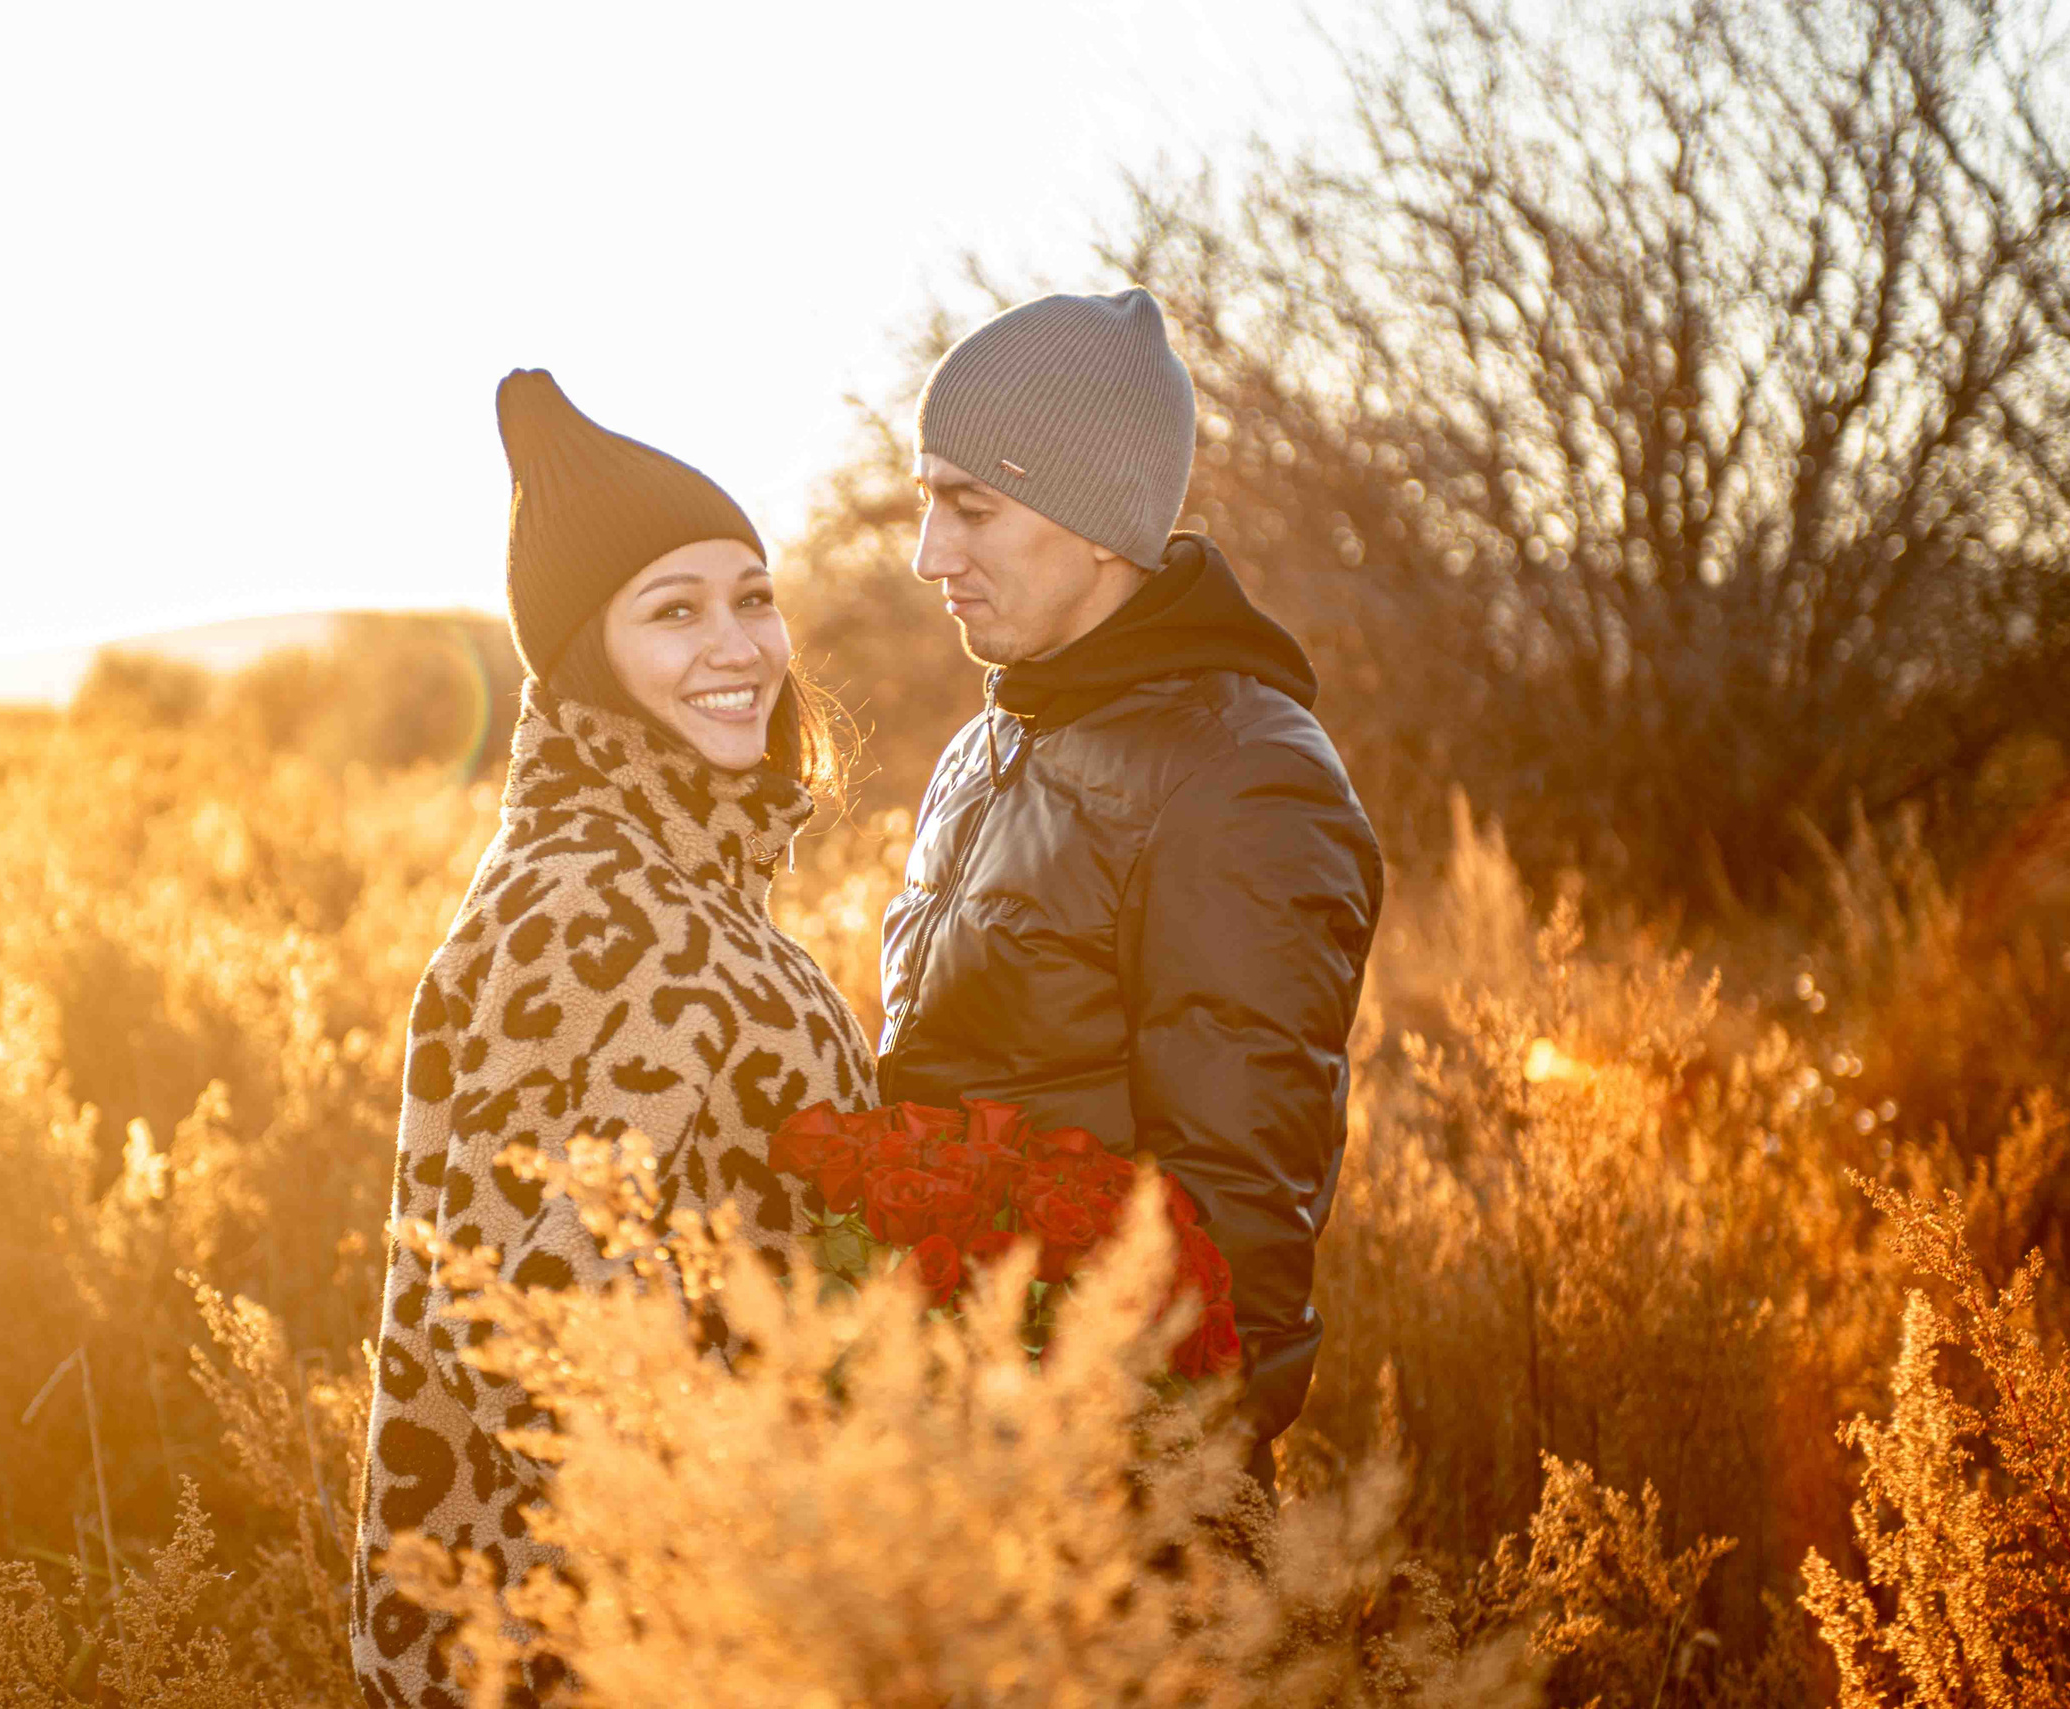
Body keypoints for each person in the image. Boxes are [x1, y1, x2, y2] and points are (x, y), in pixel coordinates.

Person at [350, 370, 877, 1708]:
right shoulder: (586, 904)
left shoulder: (673, 872)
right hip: (611, 1639)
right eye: (674, 611)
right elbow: (553, 1347)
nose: (738, 647)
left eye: (753, 597)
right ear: (588, 650)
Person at [876, 289, 1383, 1493]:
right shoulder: (990, 738)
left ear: (1098, 519)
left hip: (1106, 1486)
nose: (927, 554)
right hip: (949, 1440)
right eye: (924, 499)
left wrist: (1122, 1489)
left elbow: (1236, 1240)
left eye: (971, 507)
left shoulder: (1241, 774)